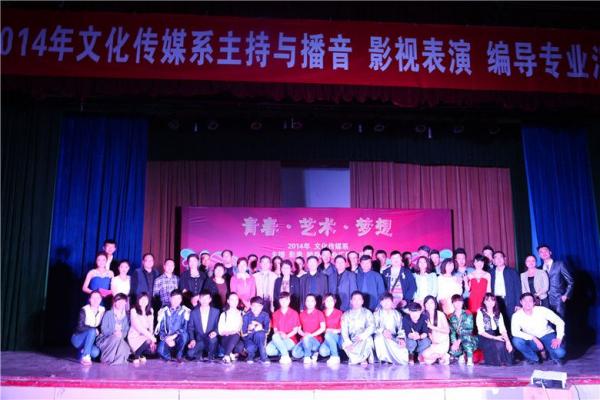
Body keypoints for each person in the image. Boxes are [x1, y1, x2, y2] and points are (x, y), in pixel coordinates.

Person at [511, 293, 566, 365]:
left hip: (547, 336)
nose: (527, 303)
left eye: (530, 301)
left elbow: (560, 322)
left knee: (560, 353)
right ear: (521, 302)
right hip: (532, 341)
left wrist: (559, 338)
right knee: (516, 341)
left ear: (534, 302)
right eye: (525, 301)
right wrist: (533, 338)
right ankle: (533, 358)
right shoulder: (516, 315)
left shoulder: (542, 310)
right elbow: (515, 332)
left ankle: (553, 356)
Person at [476, 293, 513, 366]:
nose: (490, 303)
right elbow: (481, 332)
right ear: (484, 302)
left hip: (495, 335)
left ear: (495, 302)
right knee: (497, 344)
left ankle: (504, 362)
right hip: (483, 337)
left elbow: (503, 330)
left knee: (504, 344)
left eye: (492, 300)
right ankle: (497, 362)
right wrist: (495, 338)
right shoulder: (480, 312)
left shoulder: (498, 313)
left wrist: (508, 342)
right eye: (488, 300)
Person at [538, 244, 574, 319]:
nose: (544, 253)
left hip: (558, 300)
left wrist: (566, 295)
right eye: (541, 252)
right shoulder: (539, 269)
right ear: (539, 255)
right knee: (547, 323)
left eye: (545, 251)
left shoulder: (560, 264)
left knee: (560, 322)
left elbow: (570, 281)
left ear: (550, 252)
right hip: (545, 300)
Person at [373, 292, 408, 365]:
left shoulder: (397, 314)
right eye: (383, 301)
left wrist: (401, 338)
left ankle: (392, 358)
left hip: (393, 338)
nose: (386, 303)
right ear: (381, 302)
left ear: (392, 302)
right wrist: (383, 331)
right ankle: (384, 359)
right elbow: (373, 327)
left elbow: (401, 329)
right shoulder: (376, 314)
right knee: (378, 339)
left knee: (403, 355)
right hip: (381, 337)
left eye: (388, 301)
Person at [341, 291, 375, 366]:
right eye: (354, 299)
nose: (356, 302)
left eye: (359, 299)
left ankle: (362, 358)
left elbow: (372, 326)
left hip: (363, 338)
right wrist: (348, 341)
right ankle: (360, 358)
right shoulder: (346, 314)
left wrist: (362, 336)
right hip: (351, 340)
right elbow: (344, 330)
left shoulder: (367, 313)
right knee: (346, 345)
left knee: (368, 339)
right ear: (351, 301)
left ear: (362, 301)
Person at [96, 293, 130, 365]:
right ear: (114, 302)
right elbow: (103, 329)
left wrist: (121, 334)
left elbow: (126, 330)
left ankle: (115, 360)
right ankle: (106, 358)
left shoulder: (126, 317)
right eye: (118, 301)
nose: (120, 303)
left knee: (126, 347)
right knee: (116, 338)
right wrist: (113, 333)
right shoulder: (108, 313)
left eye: (122, 301)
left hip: (119, 339)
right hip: (106, 339)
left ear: (125, 302)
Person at [71, 291, 105, 365]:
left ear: (101, 299)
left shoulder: (102, 310)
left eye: (98, 298)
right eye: (93, 298)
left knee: (95, 353)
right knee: (92, 330)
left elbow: (102, 326)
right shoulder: (84, 310)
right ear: (89, 299)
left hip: (89, 340)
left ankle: (84, 350)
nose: (95, 300)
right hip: (78, 339)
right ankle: (85, 357)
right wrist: (93, 329)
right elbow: (79, 327)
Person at [155, 289, 189, 362]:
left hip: (178, 338)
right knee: (160, 350)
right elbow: (161, 329)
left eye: (178, 298)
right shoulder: (164, 311)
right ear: (170, 298)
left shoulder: (185, 311)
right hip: (168, 339)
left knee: (185, 335)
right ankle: (170, 357)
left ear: (181, 300)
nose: (176, 301)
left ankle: (179, 355)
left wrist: (174, 336)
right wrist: (166, 338)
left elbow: (185, 328)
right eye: (174, 298)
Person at [266, 292, 300, 364]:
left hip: (290, 339)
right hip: (278, 338)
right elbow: (275, 330)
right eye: (282, 300)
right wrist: (281, 333)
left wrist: (286, 336)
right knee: (268, 350)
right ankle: (285, 353)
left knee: (275, 337)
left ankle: (285, 356)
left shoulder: (294, 313)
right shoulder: (275, 314)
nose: (284, 302)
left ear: (289, 301)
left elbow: (295, 330)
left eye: (286, 300)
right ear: (279, 301)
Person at [186, 291, 220, 362]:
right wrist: (192, 339)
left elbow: (218, 326)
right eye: (202, 299)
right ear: (199, 299)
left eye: (206, 299)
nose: (204, 301)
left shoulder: (216, 312)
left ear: (210, 300)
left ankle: (211, 355)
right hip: (199, 340)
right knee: (190, 354)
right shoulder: (194, 312)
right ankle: (201, 353)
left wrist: (215, 332)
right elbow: (190, 328)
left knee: (213, 340)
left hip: (211, 339)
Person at [292, 294, 326, 363]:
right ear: (305, 302)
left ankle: (307, 357)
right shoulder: (302, 314)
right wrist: (304, 334)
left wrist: (311, 335)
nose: (310, 303)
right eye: (308, 301)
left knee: (307, 338)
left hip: (316, 341)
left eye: (312, 301)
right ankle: (313, 353)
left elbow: (323, 328)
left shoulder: (319, 313)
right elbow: (299, 329)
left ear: (315, 302)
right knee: (295, 354)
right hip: (304, 340)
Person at [490, 251, 522, 326]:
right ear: (493, 261)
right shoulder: (491, 273)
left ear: (504, 259)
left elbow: (518, 288)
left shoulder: (512, 272)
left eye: (500, 257)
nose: (498, 259)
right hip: (496, 301)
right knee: (498, 323)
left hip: (510, 301)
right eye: (496, 258)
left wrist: (518, 304)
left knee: (511, 323)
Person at [127, 292, 156, 364]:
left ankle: (139, 353)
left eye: (145, 299)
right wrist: (151, 337)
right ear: (138, 300)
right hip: (135, 335)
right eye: (141, 299)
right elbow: (138, 327)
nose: (143, 301)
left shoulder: (151, 310)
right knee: (148, 340)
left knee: (153, 348)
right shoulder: (133, 310)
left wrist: (152, 340)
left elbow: (151, 326)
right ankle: (135, 355)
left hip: (145, 335)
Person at [421, 295, 450, 365]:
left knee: (425, 354)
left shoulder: (440, 314)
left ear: (435, 304)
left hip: (443, 343)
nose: (429, 305)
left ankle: (443, 355)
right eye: (427, 303)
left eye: (431, 303)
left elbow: (447, 331)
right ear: (425, 305)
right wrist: (433, 341)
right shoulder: (424, 316)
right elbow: (428, 332)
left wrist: (432, 327)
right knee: (428, 361)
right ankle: (442, 356)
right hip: (434, 344)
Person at [448, 294, 477, 366]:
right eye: (455, 302)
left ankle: (469, 359)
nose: (458, 304)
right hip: (458, 340)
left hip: (469, 338)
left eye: (460, 301)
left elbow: (468, 330)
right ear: (452, 303)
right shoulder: (451, 316)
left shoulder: (468, 314)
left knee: (466, 340)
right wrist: (454, 342)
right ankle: (462, 354)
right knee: (453, 351)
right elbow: (452, 332)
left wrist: (458, 341)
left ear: (462, 302)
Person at [242, 296, 271, 364]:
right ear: (251, 306)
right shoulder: (246, 316)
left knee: (259, 334)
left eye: (258, 306)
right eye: (254, 306)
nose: (256, 308)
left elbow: (267, 330)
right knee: (251, 347)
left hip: (260, 338)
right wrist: (249, 329)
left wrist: (261, 328)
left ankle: (263, 357)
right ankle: (250, 356)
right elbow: (243, 333)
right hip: (249, 338)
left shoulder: (265, 315)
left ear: (262, 307)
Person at [318, 293, 344, 366]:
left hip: (338, 337)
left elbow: (344, 328)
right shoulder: (321, 313)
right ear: (324, 302)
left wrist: (335, 330)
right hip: (327, 338)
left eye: (331, 300)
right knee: (323, 352)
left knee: (328, 335)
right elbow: (319, 328)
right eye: (327, 301)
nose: (329, 303)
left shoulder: (339, 313)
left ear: (334, 301)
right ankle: (335, 350)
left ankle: (335, 356)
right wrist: (325, 330)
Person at [218, 292, 244, 363]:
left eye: (236, 299)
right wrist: (230, 332)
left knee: (240, 346)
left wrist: (234, 331)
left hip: (237, 338)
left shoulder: (241, 313)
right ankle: (227, 355)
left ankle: (229, 354)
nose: (234, 301)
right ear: (228, 301)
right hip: (226, 338)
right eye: (232, 299)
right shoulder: (224, 314)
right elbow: (220, 331)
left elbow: (240, 328)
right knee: (235, 335)